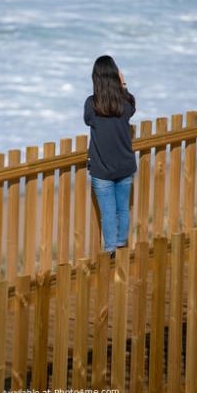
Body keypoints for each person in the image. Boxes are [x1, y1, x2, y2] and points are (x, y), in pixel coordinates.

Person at [84, 55, 137, 258]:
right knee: (123, 209)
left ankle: (111, 251)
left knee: (108, 212)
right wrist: (123, 84)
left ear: (95, 78)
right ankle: (122, 245)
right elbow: (132, 106)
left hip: (102, 169)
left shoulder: (92, 104)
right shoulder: (124, 104)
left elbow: (88, 120)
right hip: (125, 166)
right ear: (115, 76)